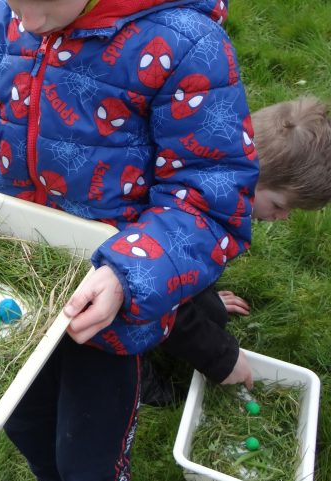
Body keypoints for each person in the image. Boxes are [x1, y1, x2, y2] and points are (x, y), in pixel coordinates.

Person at [0, 0, 259, 481]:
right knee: (25, 419)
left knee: (90, 460)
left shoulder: (187, 45)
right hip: (12, 275)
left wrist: (127, 275)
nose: (25, 20)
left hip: (108, 309)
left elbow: (209, 198)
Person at [142, 96, 331, 405]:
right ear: (251, 175)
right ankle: (140, 383)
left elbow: (188, 263)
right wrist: (221, 357)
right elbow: (160, 293)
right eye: (280, 205)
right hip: (116, 283)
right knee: (126, 335)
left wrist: (205, 295)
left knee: (213, 314)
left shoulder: (224, 190)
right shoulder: (197, 211)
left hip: (160, 267)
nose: (281, 217)